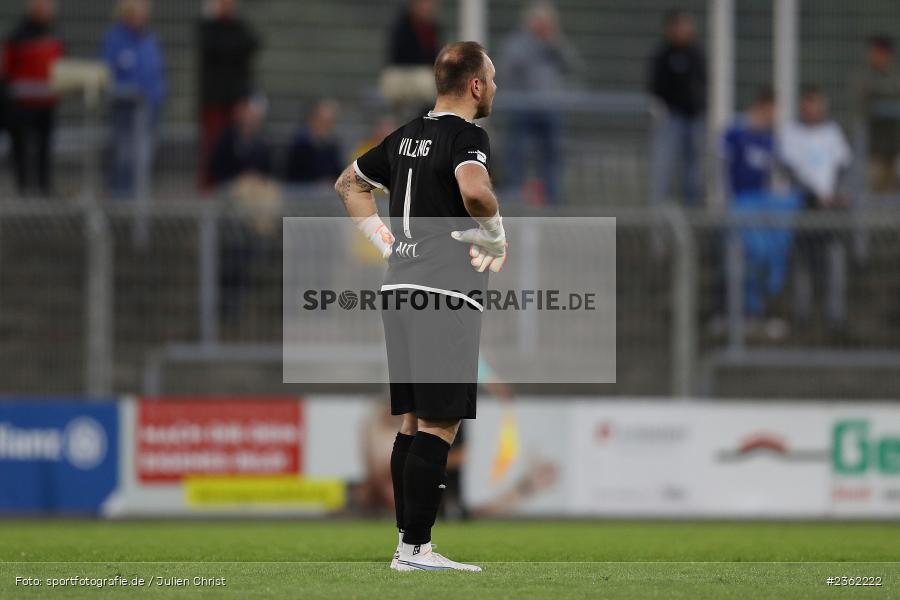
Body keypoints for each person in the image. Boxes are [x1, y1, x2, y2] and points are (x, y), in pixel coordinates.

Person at [334, 41, 504, 572]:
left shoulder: (405, 136)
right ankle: (416, 550)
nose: (495, 87)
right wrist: (496, 232)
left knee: (412, 424)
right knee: (439, 426)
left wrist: (387, 244)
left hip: (398, 289)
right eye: (492, 78)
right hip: (444, 293)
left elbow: (348, 184)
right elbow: (474, 191)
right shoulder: (468, 135)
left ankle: (406, 548)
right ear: (475, 85)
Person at [779, 87, 852, 330]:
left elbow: (844, 165)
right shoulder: (791, 133)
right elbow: (790, 169)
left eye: (816, 104)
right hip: (804, 208)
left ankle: (836, 315)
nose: (812, 109)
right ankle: (802, 315)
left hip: (830, 210)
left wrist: (838, 194)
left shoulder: (833, 132)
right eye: (808, 104)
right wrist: (814, 196)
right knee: (802, 262)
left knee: (835, 258)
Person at [499, 1, 581, 205]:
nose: (543, 26)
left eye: (547, 22)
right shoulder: (517, 43)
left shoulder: (556, 43)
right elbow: (509, 68)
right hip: (523, 108)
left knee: (553, 154)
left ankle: (553, 199)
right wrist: (535, 42)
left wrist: (555, 43)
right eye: (539, 21)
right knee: (517, 152)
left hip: (551, 109)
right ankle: (515, 194)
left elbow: (573, 64)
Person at [101, 0, 166, 200]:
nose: (140, 16)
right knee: (123, 156)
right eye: (136, 12)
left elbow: (157, 74)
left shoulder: (150, 39)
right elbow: (106, 75)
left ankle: (140, 202)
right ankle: (120, 201)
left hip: (148, 112)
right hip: (125, 113)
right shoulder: (114, 40)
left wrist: (158, 95)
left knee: (144, 158)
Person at [2, 0, 64, 196]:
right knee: (21, 148)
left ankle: (44, 188)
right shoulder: (18, 35)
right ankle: (24, 189)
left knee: (45, 147)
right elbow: (7, 70)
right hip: (21, 105)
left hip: (46, 103)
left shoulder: (54, 34)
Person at [197, 0, 260, 191]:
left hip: (234, 100)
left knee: (238, 145)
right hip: (214, 101)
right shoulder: (208, 28)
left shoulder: (238, 27)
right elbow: (216, 47)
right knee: (213, 146)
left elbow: (253, 42)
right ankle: (209, 188)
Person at [648, 9, 706, 207]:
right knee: (663, 168)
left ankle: (694, 213)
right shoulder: (662, 54)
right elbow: (656, 86)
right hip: (671, 118)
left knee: (694, 171)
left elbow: (702, 81)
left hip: (694, 118)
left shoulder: (696, 52)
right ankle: (656, 216)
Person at [851, 35, 900, 194]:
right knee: (873, 191)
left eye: (876, 52)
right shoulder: (865, 75)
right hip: (874, 146)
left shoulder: (895, 74)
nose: (872, 56)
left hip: (896, 144)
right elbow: (863, 99)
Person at [380, 0, 441, 117]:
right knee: (427, 82)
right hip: (402, 72)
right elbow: (399, 55)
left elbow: (436, 55)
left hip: (423, 73)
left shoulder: (433, 28)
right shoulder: (402, 25)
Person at [208, 96, 272, 188]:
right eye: (246, 114)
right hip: (230, 185)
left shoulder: (262, 141)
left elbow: (267, 169)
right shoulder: (226, 138)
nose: (248, 118)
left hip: (255, 187)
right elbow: (217, 166)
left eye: (252, 115)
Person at [283, 99, 343, 184]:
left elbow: (338, 174)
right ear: (312, 120)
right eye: (323, 122)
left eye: (330, 123)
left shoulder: (332, 146)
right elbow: (294, 178)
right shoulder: (299, 145)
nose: (327, 127)